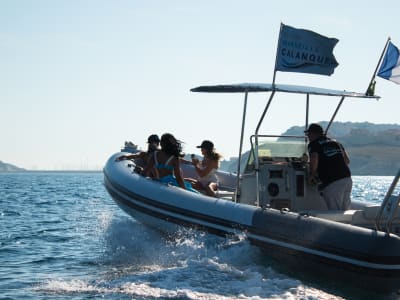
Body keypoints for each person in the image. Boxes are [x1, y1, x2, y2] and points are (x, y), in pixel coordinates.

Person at [306, 123, 352, 210]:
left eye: (308, 134)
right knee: (346, 208)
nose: (308, 136)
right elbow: (347, 161)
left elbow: (314, 157)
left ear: (313, 134)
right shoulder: (336, 143)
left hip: (333, 182)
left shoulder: (314, 144)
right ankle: (349, 223)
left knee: (334, 210)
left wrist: (312, 175)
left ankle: (338, 223)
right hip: (347, 178)